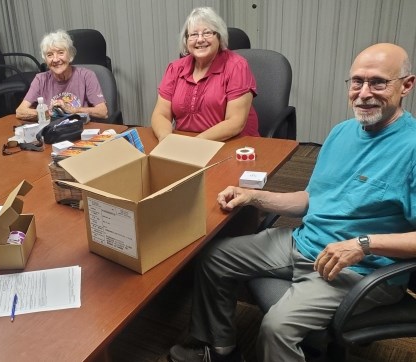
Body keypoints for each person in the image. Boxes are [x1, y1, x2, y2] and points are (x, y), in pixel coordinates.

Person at [168, 42, 416, 362]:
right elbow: (312, 200)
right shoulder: (341, 132)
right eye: (357, 81)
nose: (364, 92)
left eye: (378, 82)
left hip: (359, 270)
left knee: (276, 329)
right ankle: (221, 350)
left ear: (406, 85)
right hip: (305, 244)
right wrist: (255, 197)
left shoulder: (411, 148)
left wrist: (363, 244)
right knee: (214, 257)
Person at [151, 7, 259, 142]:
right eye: (194, 34)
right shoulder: (175, 68)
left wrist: (195, 143)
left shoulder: (237, 66)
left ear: (219, 37)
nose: (200, 39)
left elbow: (235, 122)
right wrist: (166, 139)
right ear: (186, 40)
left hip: (232, 145)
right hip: (185, 146)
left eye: (207, 33)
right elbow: (160, 114)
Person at [15, 29, 108, 121]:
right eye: (49, 55)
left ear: (70, 55)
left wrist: (73, 110)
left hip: (80, 129)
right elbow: (20, 111)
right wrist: (46, 112)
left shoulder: (87, 76)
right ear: (45, 60)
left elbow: (103, 112)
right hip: (53, 131)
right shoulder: (40, 79)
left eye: (60, 53)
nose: (55, 59)